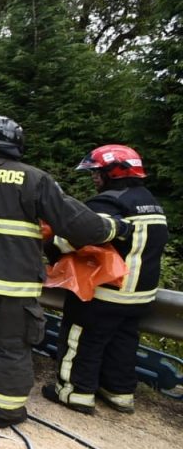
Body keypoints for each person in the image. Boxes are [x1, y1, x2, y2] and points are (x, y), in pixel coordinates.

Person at [0, 114, 128, 428]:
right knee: (11, 346)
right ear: (15, 143)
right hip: (15, 287)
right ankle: (4, 412)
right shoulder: (35, 179)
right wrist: (113, 228)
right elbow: (75, 222)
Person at [43, 145, 168, 415]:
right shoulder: (150, 201)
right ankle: (119, 392)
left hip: (106, 292)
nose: (94, 178)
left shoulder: (108, 202)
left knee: (82, 339)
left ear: (115, 171)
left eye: (98, 172)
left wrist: (50, 245)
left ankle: (74, 392)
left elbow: (75, 239)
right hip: (141, 296)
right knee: (122, 343)